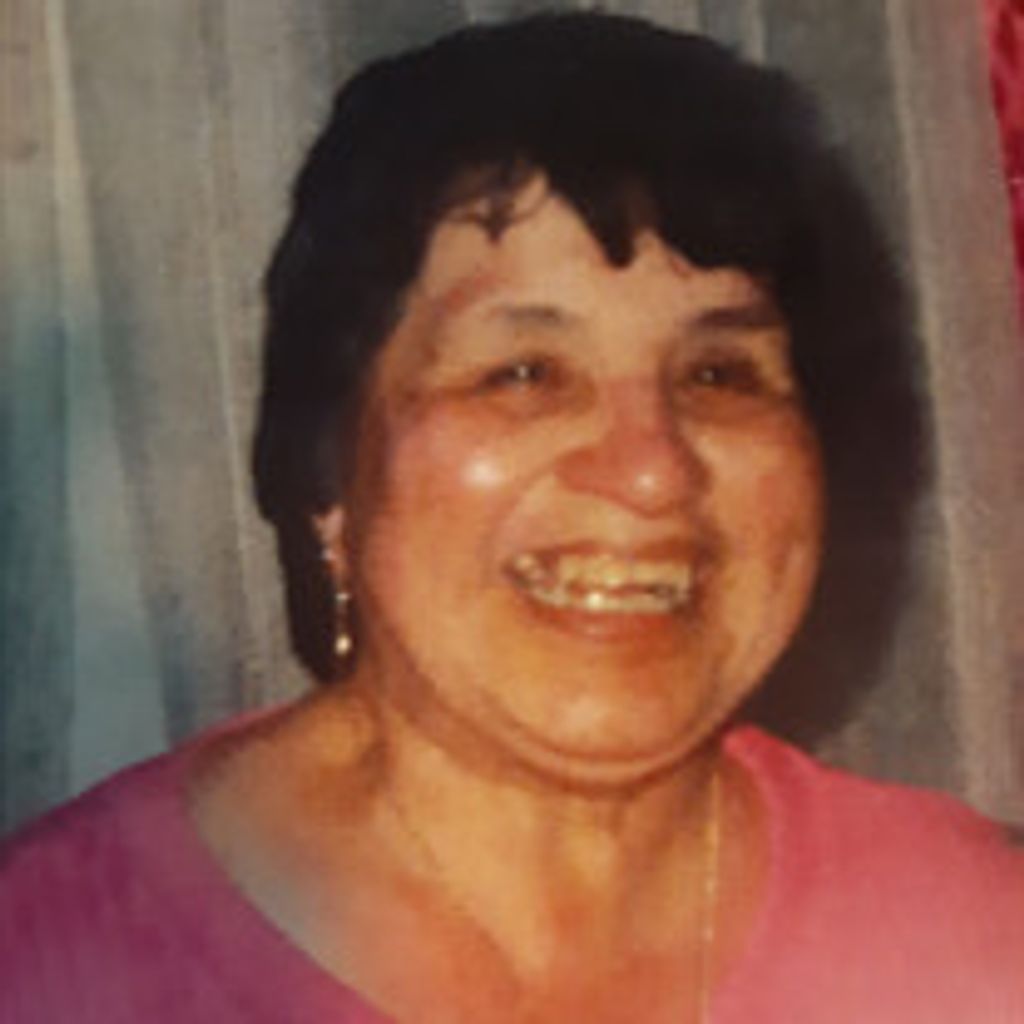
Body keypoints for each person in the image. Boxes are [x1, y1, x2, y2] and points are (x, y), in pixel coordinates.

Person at [2, 12, 1023, 1024]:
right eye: (525, 373)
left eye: (720, 373)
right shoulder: (45, 964)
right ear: (327, 476)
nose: (652, 470)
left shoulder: (978, 932)